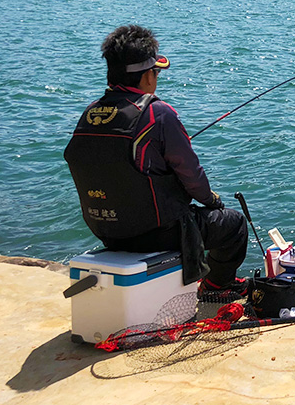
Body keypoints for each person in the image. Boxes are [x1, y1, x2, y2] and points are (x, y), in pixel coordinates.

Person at [64, 24, 250, 297]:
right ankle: (217, 286)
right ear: (146, 76)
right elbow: (192, 175)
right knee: (233, 225)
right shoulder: (158, 114)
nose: (157, 78)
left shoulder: (90, 114)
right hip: (157, 232)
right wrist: (212, 201)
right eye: (156, 72)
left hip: (106, 229)